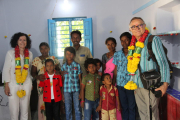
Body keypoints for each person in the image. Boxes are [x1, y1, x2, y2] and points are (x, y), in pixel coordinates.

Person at [128, 17, 170, 120]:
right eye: (134, 26)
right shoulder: (132, 44)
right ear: (130, 30)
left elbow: (163, 62)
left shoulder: (153, 40)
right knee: (143, 114)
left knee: (152, 115)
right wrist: (133, 83)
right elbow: (133, 66)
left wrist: (165, 84)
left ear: (144, 26)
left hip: (151, 85)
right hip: (138, 86)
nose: (137, 28)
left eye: (140, 25)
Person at [3, 32, 33, 120]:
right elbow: (6, 69)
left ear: (27, 42)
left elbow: (29, 70)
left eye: (24, 40)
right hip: (13, 84)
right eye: (20, 40)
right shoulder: (10, 53)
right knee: (14, 110)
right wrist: (6, 85)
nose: (22, 42)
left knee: (25, 110)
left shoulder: (30, 54)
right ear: (16, 41)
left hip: (26, 84)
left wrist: (30, 83)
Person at [31, 42, 61, 120]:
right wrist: (38, 76)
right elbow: (32, 73)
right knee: (43, 102)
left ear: (49, 49)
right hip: (42, 84)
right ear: (40, 50)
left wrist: (58, 71)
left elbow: (58, 70)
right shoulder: (36, 60)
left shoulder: (54, 59)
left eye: (45, 48)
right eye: (42, 49)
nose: (44, 50)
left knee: (54, 102)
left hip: (53, 84)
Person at [113, 32, 136, 120]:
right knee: (124, 106)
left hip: (131, 84)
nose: (124, 42)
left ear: (130, 40)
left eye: (126, 40)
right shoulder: (117, 54)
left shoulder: (134, 53)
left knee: (132, 106)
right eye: (122, 41)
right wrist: (113, 82)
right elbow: (116, 69)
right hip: (120, 84)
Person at [102, 37, 122, 120]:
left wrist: (113, 81)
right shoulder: (104, 56)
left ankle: (117, 117)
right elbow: (103, 69)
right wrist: (104, 82)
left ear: (116, 44)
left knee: (116, 99)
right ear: (106, 46)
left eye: (112, 44)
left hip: (116, 79)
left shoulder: (118, 54)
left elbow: (118, 68)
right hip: (107, 80)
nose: (111, 46)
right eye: (108, 44)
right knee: (108, 99)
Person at [61, 47, 82, 120]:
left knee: (77, 108)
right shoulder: (63, 66)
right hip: (66, 91)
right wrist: (63, 93)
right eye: (67, 54)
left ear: (74, 55)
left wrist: (81, 92)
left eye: (71, 54)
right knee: (68, 109)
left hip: (76, 90)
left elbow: (80, 79)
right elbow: (63, 81)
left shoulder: (77, 65)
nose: (69, 56)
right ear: (65, 55)